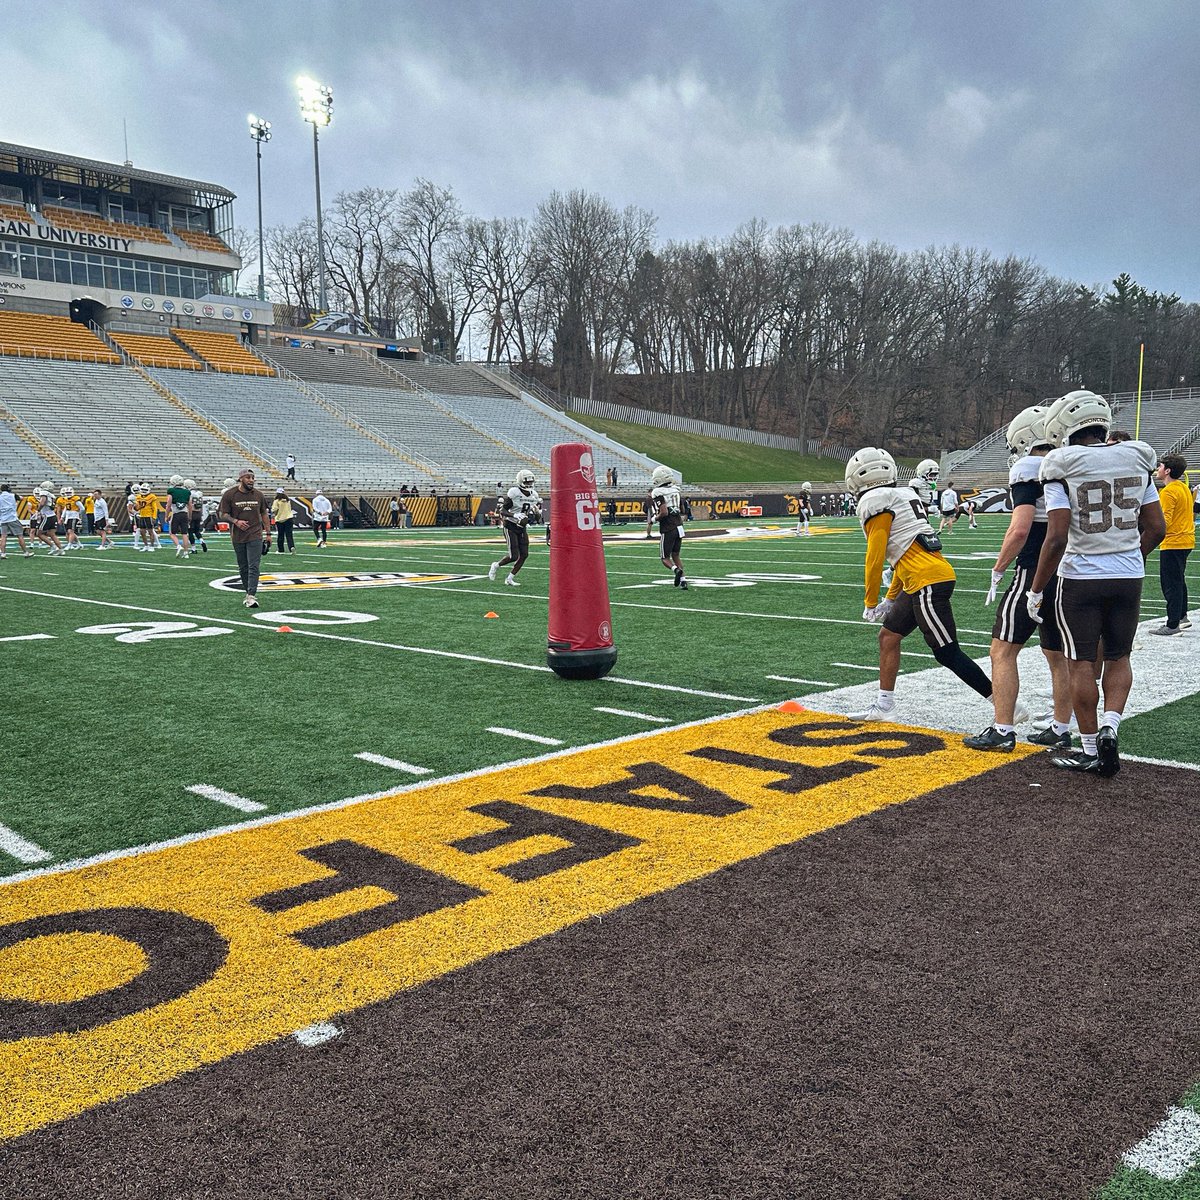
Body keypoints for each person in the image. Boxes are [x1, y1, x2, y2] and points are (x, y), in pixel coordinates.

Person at [1028, 390, 1165, 775]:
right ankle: (1111, 726)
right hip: (1128, 574)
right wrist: (1129, 557)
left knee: (1081, 662)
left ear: (1063, 427)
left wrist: (1036, 590)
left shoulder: (1060, 464)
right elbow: (1156, 527)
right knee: (1119, 656)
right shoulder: (1136, 456)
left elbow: (1055, 537)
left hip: (1082, 577)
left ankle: (1090, 749)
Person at [843, 447, 1003, 723]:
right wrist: (891, 598)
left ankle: (1004, 705)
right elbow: (903, 556)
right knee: (888, 637)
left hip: (928, 582)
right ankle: (885, 705)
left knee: (947, 652)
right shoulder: (904, 495)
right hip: (920, 578)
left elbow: (876, 556)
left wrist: (870, 600)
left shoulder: (877, 501)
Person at [964, 406, 1069, 752]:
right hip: (1067, 571)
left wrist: (998, 567)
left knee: (1002, 651)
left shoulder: (1028, 467)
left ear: (1024, 437)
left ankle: (1003, 729)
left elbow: (1020, 528)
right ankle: (1061, 727)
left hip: (1033, 571)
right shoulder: (1070, 461)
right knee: (1058, 656)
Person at [1151, 453, 1193, 635]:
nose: (1157, 469)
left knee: (1171, 584)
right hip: (1186, 540)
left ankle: (1173, 624)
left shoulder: (1168, 491)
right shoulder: (1183, 487)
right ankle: (1182, 616)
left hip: (1174, 542)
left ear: (1167, 470)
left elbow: (1164, 521)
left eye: (1160, 466)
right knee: (1179, 581)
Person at [218, 468, 271, 607]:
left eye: (253, 477)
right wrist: (236, 521)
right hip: (238, 536)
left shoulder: (258, 495)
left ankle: (251, 595)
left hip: (255, 534)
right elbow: (222, 514)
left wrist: (269, 533)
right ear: (241, 478)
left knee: (254, 565)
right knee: (243, 567)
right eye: (248, 477)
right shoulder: (230, 494)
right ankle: (248, 593)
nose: (251, 480)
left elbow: (264, 514)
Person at [489, 469, 541, 586]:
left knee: (524, 555)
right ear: (520, 481)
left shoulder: (534, 495)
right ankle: (496, 565)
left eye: (530, 482)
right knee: (514, 556)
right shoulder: (514, 492)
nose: (529, 484)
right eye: (526, 482)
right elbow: (502, 510)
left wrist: (537, 513)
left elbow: (537, 519)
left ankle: (509, 578)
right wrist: (514, 515)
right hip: (510, 525)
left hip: (521, 526)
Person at [646, 465, 688, 588]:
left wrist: (654, 519)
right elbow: (682, 509)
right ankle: (683, 581)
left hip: (668, 527)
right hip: (679, 525)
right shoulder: (676, 490)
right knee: (676, 555)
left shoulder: (658, 492)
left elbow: (664, 512)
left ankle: (676, 570)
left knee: (665, 558)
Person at [0, 484, 34, 558]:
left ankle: (3, 553)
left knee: (3, 536)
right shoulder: (13, 495)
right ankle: (25, 552)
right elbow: (21, 498)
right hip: (12, 518)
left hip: (3, 519)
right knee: (20, 535)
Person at [165, 474, 193, 558]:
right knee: (185, 533)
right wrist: (190, 516)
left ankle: (178, 546)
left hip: (176, 514)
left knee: (172, 533)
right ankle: (186, 553)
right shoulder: (187, 492)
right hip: (184, 514)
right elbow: (190, 505)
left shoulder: (171, 491)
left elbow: (168, 505)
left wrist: (166, 516)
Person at [34, 488, 65, 556]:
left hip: (47, 516)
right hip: (53, 515)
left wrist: (38, 510)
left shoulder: (44, 494)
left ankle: (53, 546)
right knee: (52, 534)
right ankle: (61, 550)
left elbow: (42, 503)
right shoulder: (51, 495)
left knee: (39, 533)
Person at [135, 484, 161, 551]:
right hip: (142, 516)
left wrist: (154, 517)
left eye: (145, 490)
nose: (143, 491)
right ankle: (146, 545)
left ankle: (152, 546)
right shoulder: (138, 497)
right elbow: (137, 508)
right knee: (142, 532)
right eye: (142, 489)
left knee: (150, 531)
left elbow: (155, 508)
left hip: (149, 516)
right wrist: (136, 507)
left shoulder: (152, 497)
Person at [185, 479, 207, 553]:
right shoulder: (200, 493)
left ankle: (193, 549)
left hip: (192, 513)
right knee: (197, 531)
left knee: (190, 531)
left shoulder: (189, 493)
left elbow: (189, 505)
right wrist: (201, 515)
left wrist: (189, 515)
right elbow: (201, 505)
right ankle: (201, 541)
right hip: (198, 513)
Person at [272, 488, 296, 553]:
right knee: (289, 535)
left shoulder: (276, 501)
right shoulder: (287, 500)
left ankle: (281, 549)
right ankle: (291, 547)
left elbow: (274, 509)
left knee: (280, 535)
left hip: (280, 519)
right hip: (289, 518)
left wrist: (275, 514)